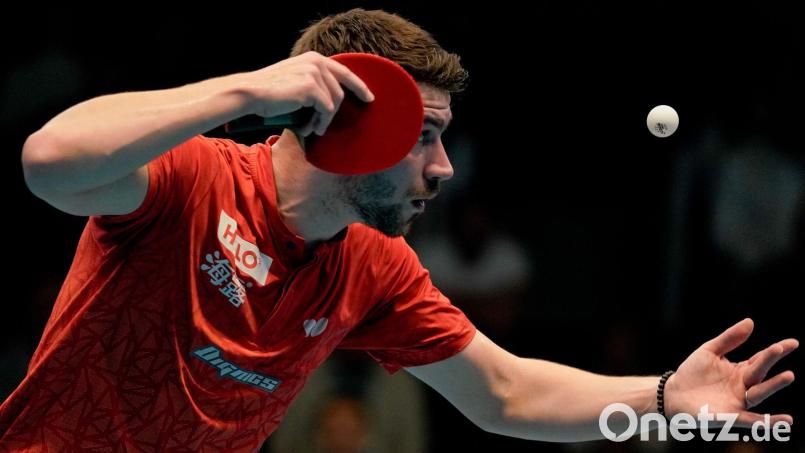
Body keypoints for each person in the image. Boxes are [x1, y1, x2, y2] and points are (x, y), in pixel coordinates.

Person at [2, 8, 798, 452]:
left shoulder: (373, 267)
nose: (444, 167)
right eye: (424, 135)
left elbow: (503, 393)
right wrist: (245, 90)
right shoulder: (193, 177)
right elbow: (48, 161)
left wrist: (661, 397)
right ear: (346, 129)